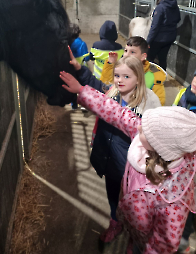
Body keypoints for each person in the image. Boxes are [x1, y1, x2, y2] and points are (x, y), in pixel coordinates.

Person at [58, 76, 196, 254]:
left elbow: (164, 244)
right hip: (134, 219)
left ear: (160, 146)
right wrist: (82, 91)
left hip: (147, 240)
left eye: (145, 130)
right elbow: (118, 113)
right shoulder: (149, 141)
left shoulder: (173, 200)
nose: (138, 127)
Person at [60, 53, 161, 245]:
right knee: (112, 193)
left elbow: (149, 134)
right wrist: (79, 69)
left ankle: (135, 234)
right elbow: (96, 87)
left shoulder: (149, 102)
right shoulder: (112, 92)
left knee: (134, 203)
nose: (120, 81)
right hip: (110, 158)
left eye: (126, 76)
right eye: (117, 75)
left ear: (138, 77)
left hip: (132, 166)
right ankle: (115, 222)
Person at [100, 36, 166, 105]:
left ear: (143, 56)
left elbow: (158, 103)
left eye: (132, 52)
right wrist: (110, 65)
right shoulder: (119, 67)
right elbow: (106, 87)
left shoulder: (154, 76)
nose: (127, 55)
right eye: (125, 51)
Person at [173, 70, 196, 253]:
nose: (195, 81)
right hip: (181, 157)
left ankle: (185, 236)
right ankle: (182, 236)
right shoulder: (184, 93)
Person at [147, 0, 181, 71]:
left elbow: (155, 26)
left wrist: (148, 41)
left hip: (159, 38)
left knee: (149, 58)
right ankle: (161, 79)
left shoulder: (160, 7)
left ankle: (148, 79)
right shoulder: (175, 6)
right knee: (162, 58)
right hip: (170, 37)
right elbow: (178, 19)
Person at [70, 24, 89, 109]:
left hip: (70, 68)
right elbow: (87, 57)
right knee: (82, 86)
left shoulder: (66, 44)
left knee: (72, 85)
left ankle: (73, 104)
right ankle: (83, 105)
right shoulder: (82, 44)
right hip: (80, 68)